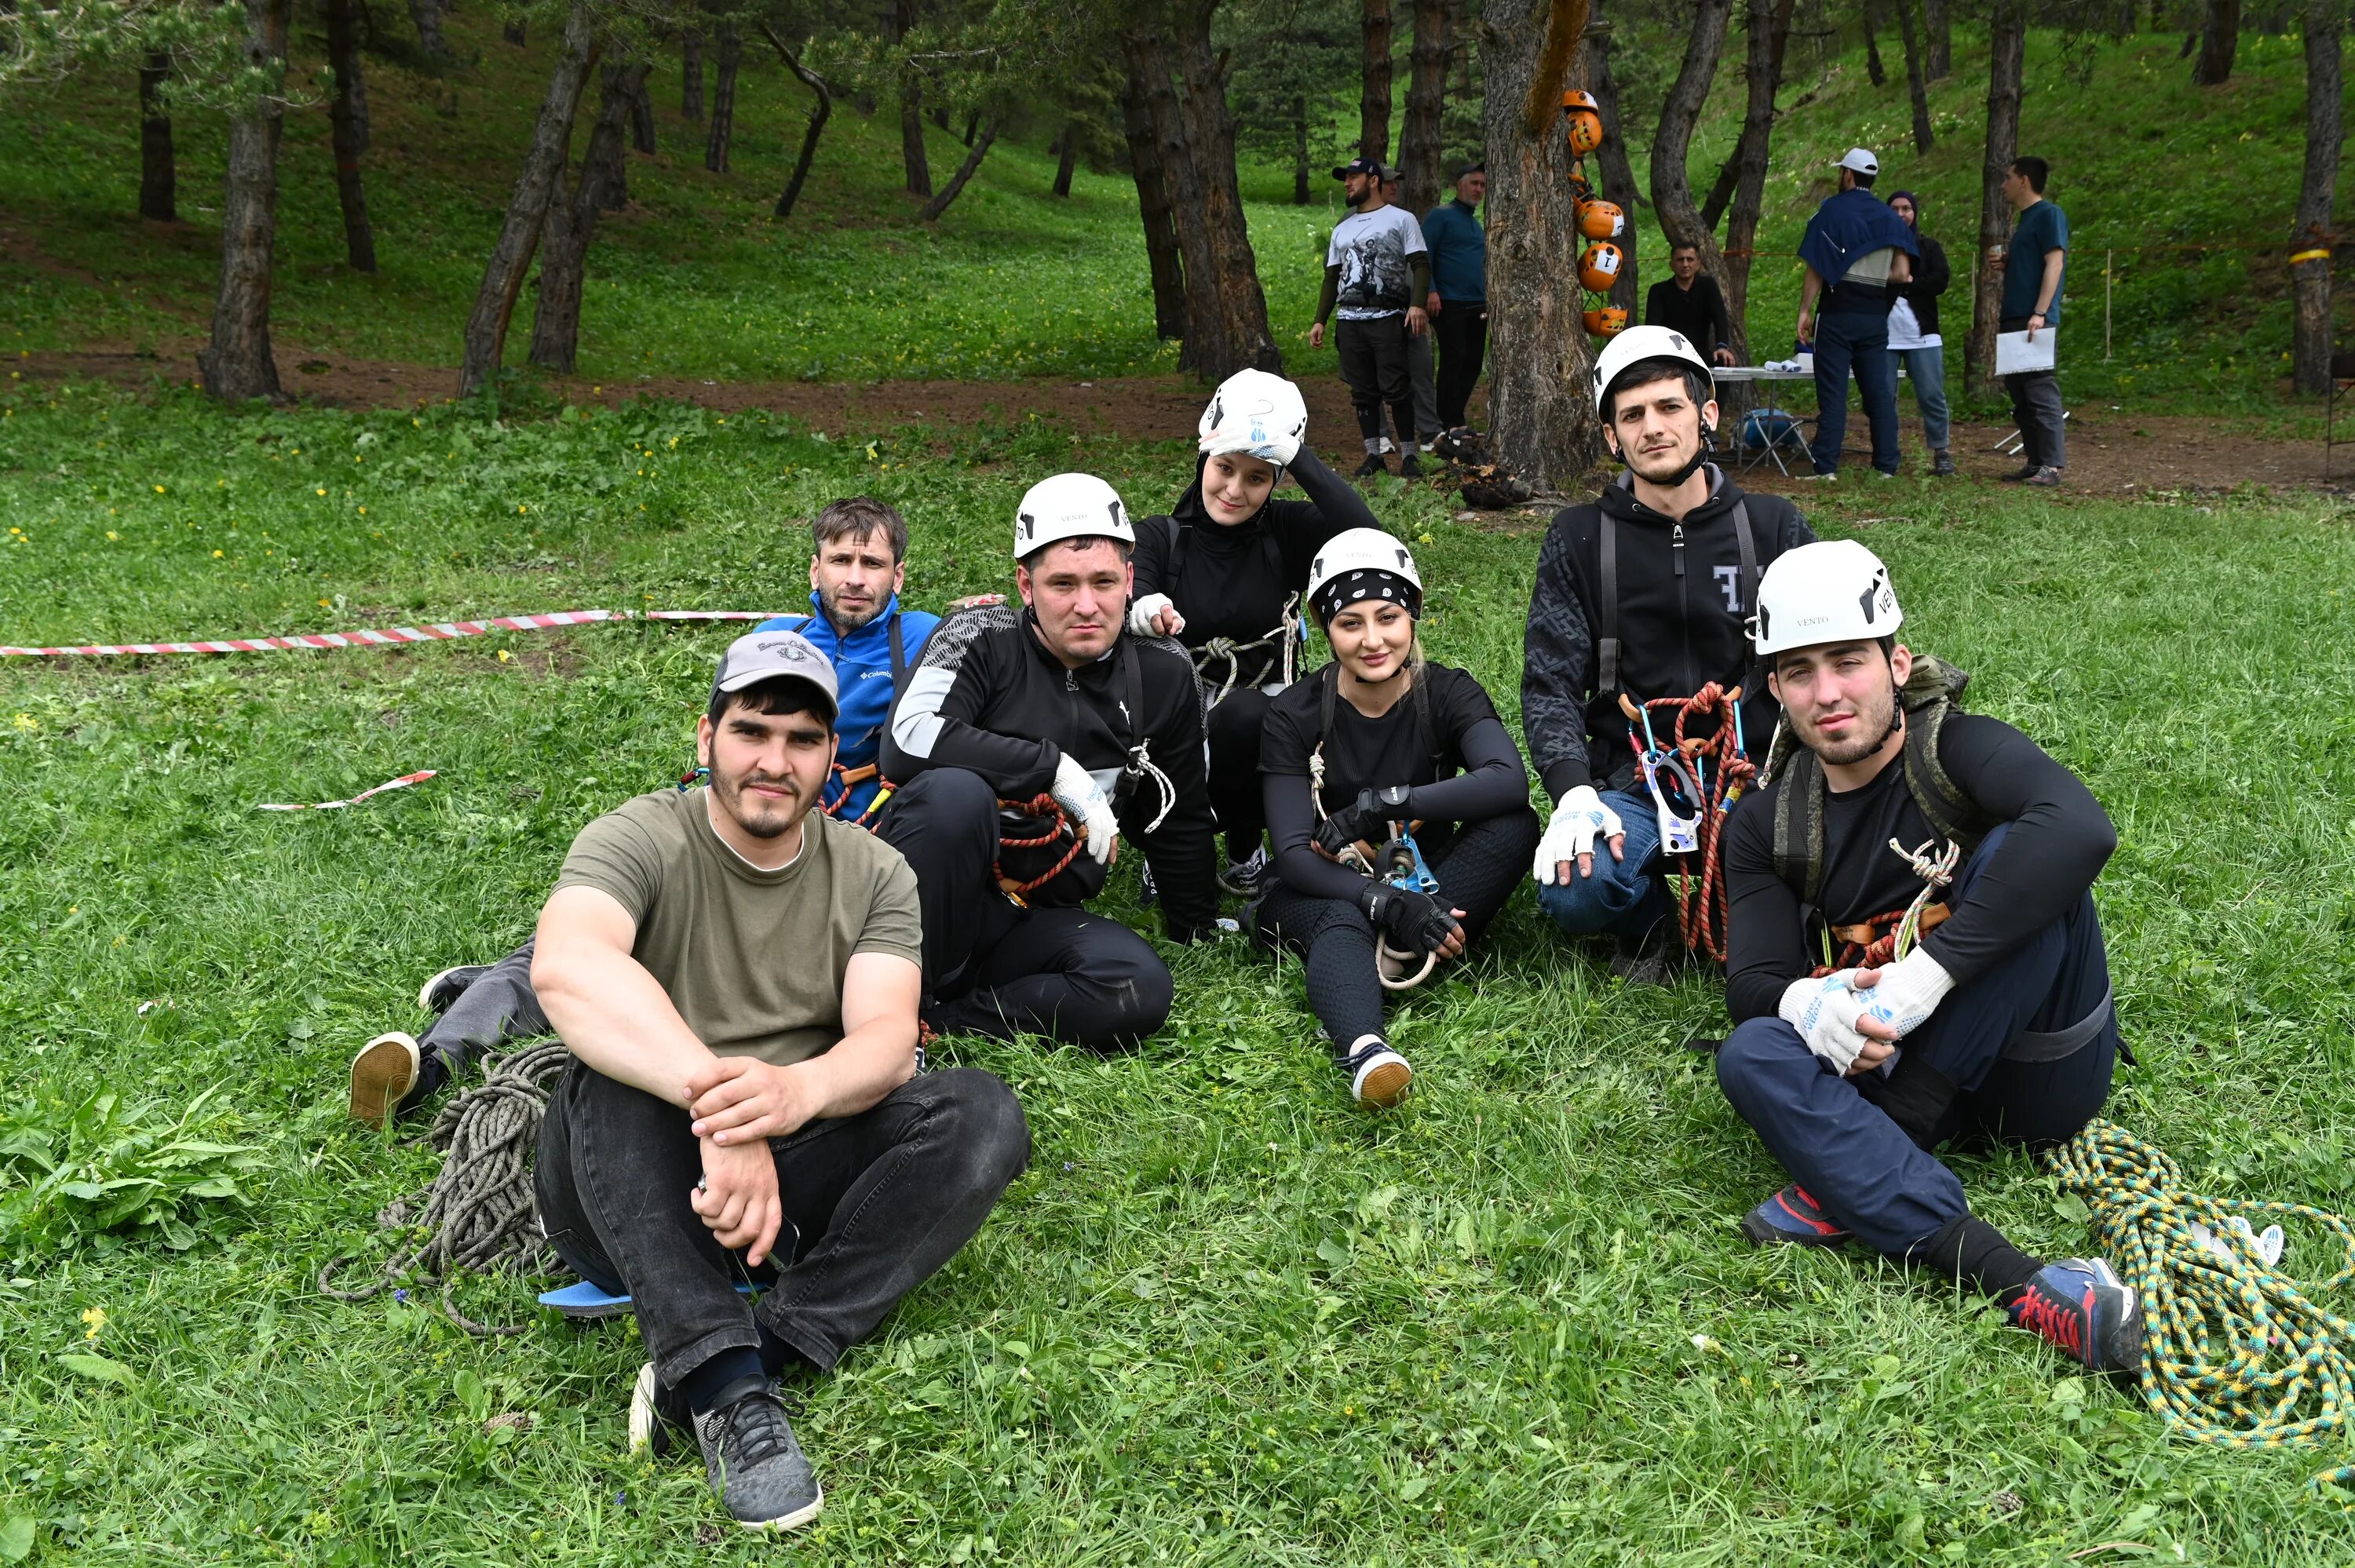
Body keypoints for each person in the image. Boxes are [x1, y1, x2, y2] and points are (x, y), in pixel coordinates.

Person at [528, 629, 1031, 1528]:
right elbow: (568, 968)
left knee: (982, 1111)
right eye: (754, 731)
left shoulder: (874, 871)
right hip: (625, 1186)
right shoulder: (637, 836)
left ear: (833, 755)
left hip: (786, 1178)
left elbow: (883, 1037)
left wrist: (792, 1098)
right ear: (706, 737)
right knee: (606, 1074)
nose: (775, 760)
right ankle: (725, 1390)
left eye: (803, 740)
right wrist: (723, 1114)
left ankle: (770, 1341)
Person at [346, 498, 942, 1127]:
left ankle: (482, 985)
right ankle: (435, 1061)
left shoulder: (927, 640)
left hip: (834, 850)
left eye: (872, 563)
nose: (855, 577)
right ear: (814, 568)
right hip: (738, 838)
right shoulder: (770, 642)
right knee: (574, 950)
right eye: (841, 560)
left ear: (898, 576)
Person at [1714, 540, 2139, 1374]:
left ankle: (1869, 1152)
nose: (1828, 692)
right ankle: (2022, 1288)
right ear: (1775, 689)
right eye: (1800, 671)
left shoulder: (1960, 750)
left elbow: (2082, 829)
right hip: (1890, 1057)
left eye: (1848, 662)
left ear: (1897, 663)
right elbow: (1752, 984)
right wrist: (1810, 1004)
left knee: (2025, 857)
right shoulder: (1765, 824)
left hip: (2033, 1068)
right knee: (1750, 1051)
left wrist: (1924, 977)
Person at [878, 472, 1217, 1050]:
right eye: (1062, 583)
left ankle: (950, 1020)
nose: (1087, 605)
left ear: (1130, 580)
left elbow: (1176, 811)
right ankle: (893, 1008)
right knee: (954, 796)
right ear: (1025, 584)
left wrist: (1196, 926)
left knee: (1137, 986)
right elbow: (907, 740)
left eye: (1104, 582)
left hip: (1034, 914)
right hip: (932, 902)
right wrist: (1052, 768)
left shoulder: (1163, 669)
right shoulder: (977, 635)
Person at [1523, 326, 1813, 981]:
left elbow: (1832, 661)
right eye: (1632, 415)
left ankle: (1754, 894)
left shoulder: (1775, 527)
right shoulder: (1577, 538)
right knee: (1577, 889)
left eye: (1669, 407)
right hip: (1633, 779)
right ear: (1611, 436)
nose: (1652, 427)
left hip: (1759, 775)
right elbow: (1550, 682)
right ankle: (1650, 922)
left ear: (1707, 414)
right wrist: (1573, 793)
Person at [1254, 528, 1539, 1107]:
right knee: (1340, 916)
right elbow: (1290, 851)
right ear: (1324, 626)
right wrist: (1381, 901)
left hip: (1425, 879)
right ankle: (1366, 1049)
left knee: (1517, 825)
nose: (1372, 640)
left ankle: (1418, 931)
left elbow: (1508, 781)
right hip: (1325, 885)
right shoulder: (1294, 714)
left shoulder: (1448, 692)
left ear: (1413, 614)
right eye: (1349, 623)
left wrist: (1386, 804)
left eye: (1387, 617)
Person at [1130, 369, 1382, 893]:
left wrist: (1296, 456)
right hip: (1171, 713)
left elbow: (1368, 539)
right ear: (1205, 457)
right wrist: (1149, 610)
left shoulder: (1285, 533)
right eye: (1225, 469)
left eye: (1258, 477)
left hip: (1259, 708)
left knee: (1253, 717)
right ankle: (1173, 843)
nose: (1235, 490)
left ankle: (1246, 844)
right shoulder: (1161, 536)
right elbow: (1130, 589)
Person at [1795, 148, 1917, 480]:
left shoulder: (1832, 210)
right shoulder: (1890, 217)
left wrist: (1805, 310)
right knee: (1878, 391)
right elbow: (1902, 273)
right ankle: (1886, 466)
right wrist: (1873, 273)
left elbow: (1817, 267)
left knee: (1833, 393)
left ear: (1847, 175)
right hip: (1875, 315)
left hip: (1837, 312)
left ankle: (1826, 467)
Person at [1309, 155, 1430, 479]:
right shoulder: (1342, 229)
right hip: (1349, 321)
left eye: (1353, 177)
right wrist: (1321, 319)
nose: (1347, 183)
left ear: (1373, 180)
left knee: (1397, 387)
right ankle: (1373, 455)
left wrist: (1417, 305)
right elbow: (1332, 277)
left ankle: (1409, 456)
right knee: (1362, 391)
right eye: (1346, 178)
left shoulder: (1402, 219)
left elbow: (1420, 264)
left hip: (1387, 316)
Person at [1995, 155, 2068, 487]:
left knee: (2040, 390)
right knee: (2020, 395)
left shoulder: (2049, 215)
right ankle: (2035, 459)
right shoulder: (2026, 221)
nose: (2003, 185)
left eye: (2008, 178)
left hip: (2034, 320)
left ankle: (2052, 466)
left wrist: (2040, 312)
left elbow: (2055, 264)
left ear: (2024, 180)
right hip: (2014, 318)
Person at [1883, 191, 1955, 477]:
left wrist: (1908, 285)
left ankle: (1942, 452)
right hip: (1884, 337)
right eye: (1894, 209)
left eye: (1906, 209)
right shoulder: (1879, 249)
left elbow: (1940, 280)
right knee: (1883, 397)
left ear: (1915, 212)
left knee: (1931, 394)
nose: (1901, 215)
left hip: (1923, 336)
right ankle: (1887, 454)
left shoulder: (1928, 247)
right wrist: (1903, 280)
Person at [1378, 165, 1444, 451]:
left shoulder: (1406, 219)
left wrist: (1420, 299)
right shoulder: (1352, 220)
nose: (1395, 187)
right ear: (1373, 184)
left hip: (1409, 307)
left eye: (1396, 183)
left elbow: (1420, 262)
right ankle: (1380, 434)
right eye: (1389, 182)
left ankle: (1429, 433)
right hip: (1374, 311)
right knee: (1375, 372)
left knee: (1421, 367)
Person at [1419, 162, 1490, 431]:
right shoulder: (1441, 216)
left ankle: (1456, 417)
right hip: (1449, 301)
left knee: (1472, 363)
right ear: (1459, 185)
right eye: (1474, 183)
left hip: (1478, 302)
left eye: (1482, 185)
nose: (1479, 190)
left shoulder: (1476, 223)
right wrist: (1431, 290)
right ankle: (1448, 421)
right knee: (1454, 358)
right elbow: (1423, 254)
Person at [1642, 240, 1736, 367]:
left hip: (1700, 353)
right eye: (1680, 260)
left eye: (1690, 259)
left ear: (1698, 264)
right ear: (1672, 264)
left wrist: (1722, 346)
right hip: (1670, 355)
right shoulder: (1658, 291)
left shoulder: (1708, 286)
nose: (1685, 264)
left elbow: (1720, 317)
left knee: (1723, 361)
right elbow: (1653, 328)